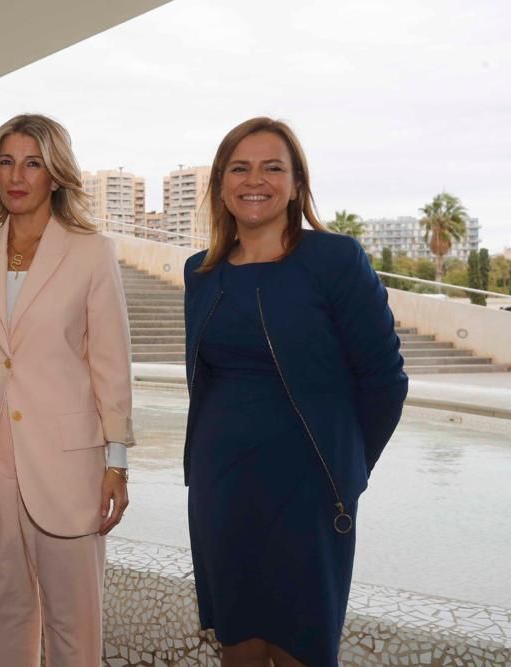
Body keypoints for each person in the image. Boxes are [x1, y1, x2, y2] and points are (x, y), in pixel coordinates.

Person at [183, 117, 408, 666]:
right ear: (220, 183)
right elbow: (204, 382)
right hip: (221, 489)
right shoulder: (200, 272)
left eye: (272, 167)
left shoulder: (335, 259)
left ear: (296, 182)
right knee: (237, 644)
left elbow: (384, 381)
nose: (254, 179)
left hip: (309, 491)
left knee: (302, 648)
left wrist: (345, 468)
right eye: (239, 167)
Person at [0, 114, 134, 665]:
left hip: (68, 463)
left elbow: (111, 365)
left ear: (56, 174)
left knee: (74, 622)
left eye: (33, 162)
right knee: (1, 613)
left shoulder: (92, 252)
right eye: (6, 162)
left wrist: (116, 462)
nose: (17, 175)